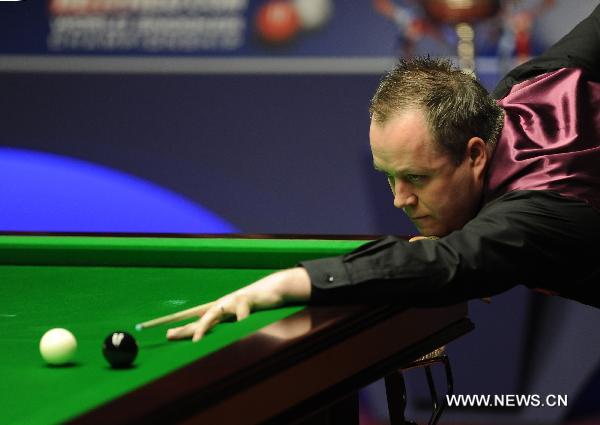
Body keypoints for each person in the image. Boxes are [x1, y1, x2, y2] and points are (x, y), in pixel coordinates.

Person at [167, 4, 600, 342]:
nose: (400, 200)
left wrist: (284, 285)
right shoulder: (537, 82)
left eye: (417, 178)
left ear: (474, 155)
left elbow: (450, 263)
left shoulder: (541, 209)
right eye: (389, 177)